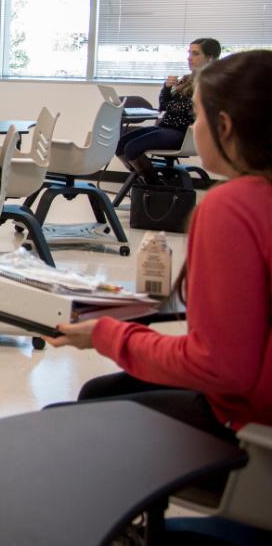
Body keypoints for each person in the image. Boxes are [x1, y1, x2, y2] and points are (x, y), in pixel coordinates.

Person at [48, 49, 272, 440]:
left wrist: (106, 336)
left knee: (65, 421)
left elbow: (218, 367)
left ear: (224, 125)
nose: (196, 127)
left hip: (250, 423)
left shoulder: (232, 207)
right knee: (101, 393)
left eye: (199, 116)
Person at [116, 38, 220, 184]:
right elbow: (164, 106)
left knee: (133, 148)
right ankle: (144, 179)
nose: (189, 58)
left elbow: (186, 109)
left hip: (184, 133)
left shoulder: (211, 83)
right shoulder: (187, 79)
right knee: (120, 145)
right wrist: (166, 87)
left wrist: (174, 102)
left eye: (195, 54)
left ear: (209, 58)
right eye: (189, 53)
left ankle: (154, 186)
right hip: (167, 127)